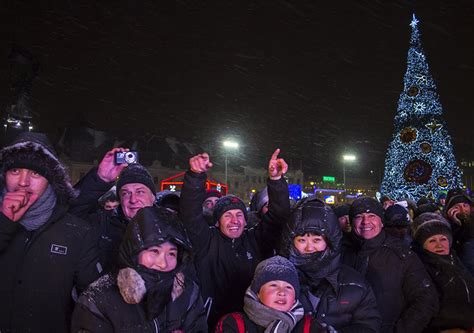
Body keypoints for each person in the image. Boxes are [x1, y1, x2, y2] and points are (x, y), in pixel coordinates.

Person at [0, 132, 101, 332]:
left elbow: (94, 300)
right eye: (15, 170)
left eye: (36, 173)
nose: (23, 182)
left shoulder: (78, 231)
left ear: (51, 180)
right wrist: (3, 223)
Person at [179, 149, 290, 329]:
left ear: (246, 220)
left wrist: (276, 181)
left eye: (239, 214)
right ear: (217, 222)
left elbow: (278, 216)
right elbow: (189, 215)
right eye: (227, 215)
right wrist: (195, 176)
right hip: (211, 322)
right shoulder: (206, 241)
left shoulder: (255, 239)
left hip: (250, 323)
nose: (234, 221)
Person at [72, 206, 208, 332]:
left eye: (171, 253)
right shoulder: (98, 298)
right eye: (154, 251)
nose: (163, 263)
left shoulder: (188, 292)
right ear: (134, 252)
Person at [280, 197, 380, 332]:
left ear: (329, 242)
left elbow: (368, 326)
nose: (310, 248)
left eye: (316, 240)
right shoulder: (279, 280)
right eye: (302, 240)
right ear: (291, 242)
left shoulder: (355, 284)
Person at [342, 197, 439, 333]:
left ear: (382, 222)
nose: (365, 221)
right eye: (359, 216)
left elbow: (426, 299)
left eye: (372, 216)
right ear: (352, 222)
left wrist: (400, 330)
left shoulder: (401, 254)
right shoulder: (340, 253)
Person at [70, 148, 157, 273]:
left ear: (153, 197)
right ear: (120, 199)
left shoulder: (170, 225)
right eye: (126, 193)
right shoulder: (102, 224)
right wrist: (100, 179)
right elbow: (71, 215)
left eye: (140, 192)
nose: (133, 199)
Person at [411, 212, 474, 332]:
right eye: (432, 241)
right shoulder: (418, 269)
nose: (439, 245)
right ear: (421, 245)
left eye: (443, 239)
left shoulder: (455, 261)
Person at [215, 256, 307, 332]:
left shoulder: (309, 326)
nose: (282, 292)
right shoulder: (234, 323)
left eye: (288, 287)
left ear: (295, 297)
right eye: (273, 285)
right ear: (257, 293)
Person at [443, 188, 474, 275]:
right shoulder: (445, 225)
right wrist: (456, 225)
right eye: (457, 207)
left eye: (465, 205)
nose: (463, 210)